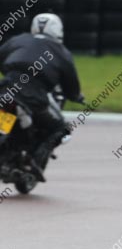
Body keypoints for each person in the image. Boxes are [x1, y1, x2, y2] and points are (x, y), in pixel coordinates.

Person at [0, 13, 82, 174]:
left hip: (5, 88)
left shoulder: (18, 39)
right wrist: (75, 95)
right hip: (33, 95)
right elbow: (71, 82)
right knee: (61, 128)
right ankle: (33, 161)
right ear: (58, 30)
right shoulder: (61, 51)